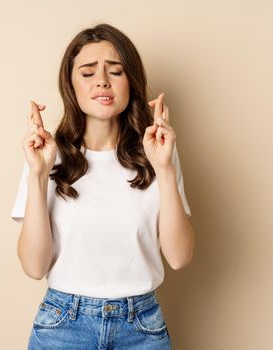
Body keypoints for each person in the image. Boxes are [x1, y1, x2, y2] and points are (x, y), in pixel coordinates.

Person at [11, 23, 194, 350]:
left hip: (141, 327)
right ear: (70, 84)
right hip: (63, 326)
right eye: (87, 72)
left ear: (131, 82)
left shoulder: (158, 151)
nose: (102, 81)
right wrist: (38, 176)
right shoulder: (46, 154)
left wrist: (164, 169)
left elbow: (179, 258)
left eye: (116, 71)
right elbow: (34, 266)